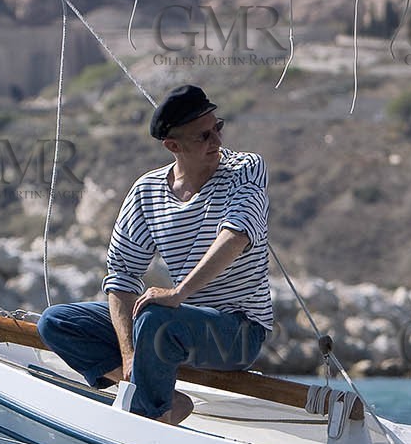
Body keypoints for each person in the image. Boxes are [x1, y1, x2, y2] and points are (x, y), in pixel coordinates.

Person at [37, 85, 272, 425]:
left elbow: (235, 237)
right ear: (173, 146)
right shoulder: (146, 191)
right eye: (203, 136)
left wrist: (178, 294)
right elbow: (121, 276)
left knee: (157, 318)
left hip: (238, 332)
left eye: (218, 128)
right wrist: (129, 354)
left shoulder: (245, 169)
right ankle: (164, 400)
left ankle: (148, 420)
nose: (217, 141)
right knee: (57, 322)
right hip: (174, 325)